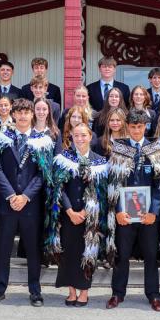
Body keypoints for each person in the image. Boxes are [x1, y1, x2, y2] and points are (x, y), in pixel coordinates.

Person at [0, 98, 54, 307]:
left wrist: (25, 196)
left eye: (26, 112)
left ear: (33, 115)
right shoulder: (1, 138)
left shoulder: (43, 140)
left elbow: (44, 173)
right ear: (13, 115)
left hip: (30, 205)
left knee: (33, 250)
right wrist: (11, 195)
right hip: (7, 203)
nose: (23, 116)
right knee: (3, 249)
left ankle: (35, 291)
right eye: (19, 112)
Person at [106, 109, 160, 312]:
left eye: (140, 126)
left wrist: (154, 212)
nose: (136, 130)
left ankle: (154, 295)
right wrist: (118, 210)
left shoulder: (155, 148)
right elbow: (113, 181)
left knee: (150, 255)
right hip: (125, 213)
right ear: (127, 127)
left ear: (145, 126)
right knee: (122, 255)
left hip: (148, 214)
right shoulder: (119, 148)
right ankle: (117, 293)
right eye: (132, 127)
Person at [47, 123, 108, 307]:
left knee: (87, 252)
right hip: (68, 215)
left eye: (83, 135)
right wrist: (69, 211)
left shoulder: (100, 161)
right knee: (69, 253)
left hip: (90, 217)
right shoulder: (63, 158)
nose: (80, 139)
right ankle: (71, 291)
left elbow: (102, 192)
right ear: (71, 137)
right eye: (76, 135)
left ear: (90, 137)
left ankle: (84, 291)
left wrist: (86, 211)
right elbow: (59, 188)